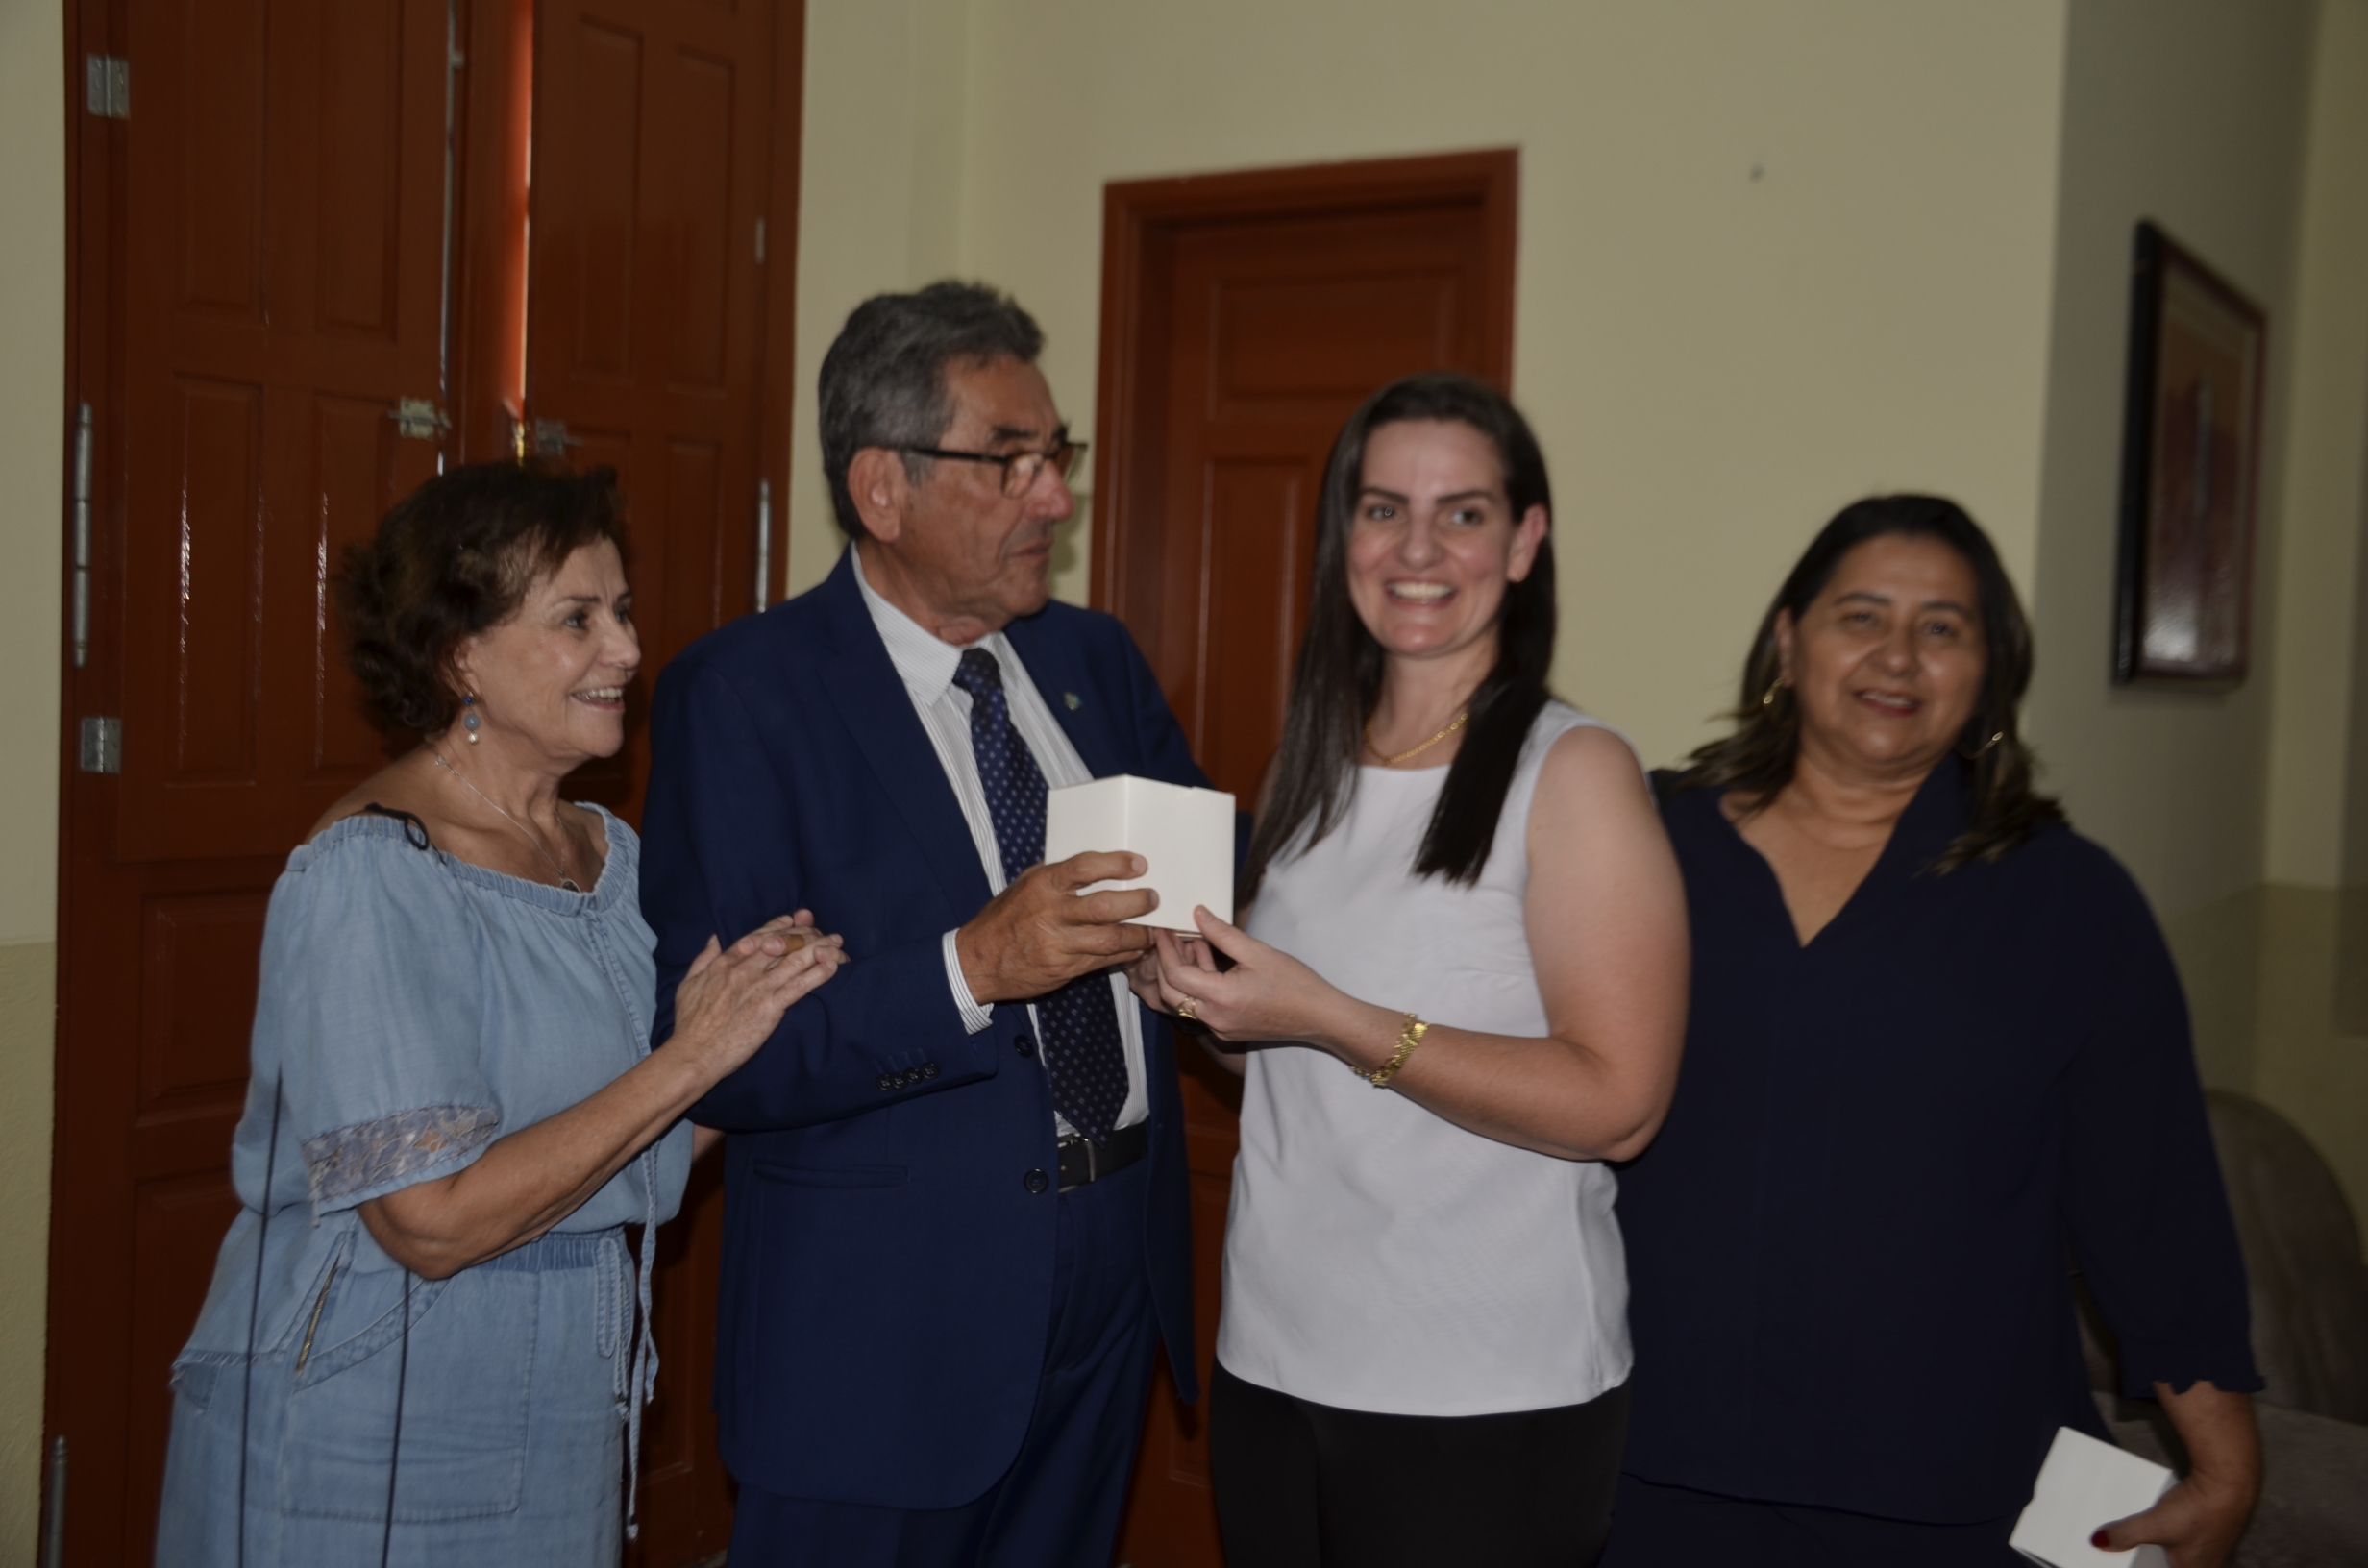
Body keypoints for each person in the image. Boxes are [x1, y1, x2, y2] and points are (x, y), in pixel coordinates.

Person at [155, 461, 843, 1566]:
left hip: (558, 1424)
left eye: (620, 610)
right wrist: (691, 1056)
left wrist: (766, 1024)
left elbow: (626, 1140)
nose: (624, 649)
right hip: (363, 1444)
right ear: (458, 654)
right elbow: (430, 1222)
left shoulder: (609, 857)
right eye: (576, 619)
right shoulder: (375, 874)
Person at [638, 282, 1208, 1567]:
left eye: (1055, 457)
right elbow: (732, 1057)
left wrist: (1197, 961)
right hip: (881, 1323)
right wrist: (972, 967)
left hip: (1111, 1273)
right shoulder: (744, 699)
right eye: (1010, 462)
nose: (1053, 500)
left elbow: (1198, 910)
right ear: (881, 488)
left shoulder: (1096, 662)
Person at [1604, 495, 2262, 1567]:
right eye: (1860, 616)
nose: (1898, 657)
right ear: (1787, 639)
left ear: (1988, 666)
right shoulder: (1640, 842)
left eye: (1942, 627)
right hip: (1642, 1460)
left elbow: (2150, 1198)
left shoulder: (2069, 902)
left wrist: (2225, 1466)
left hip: (1948, 1484)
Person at [1132, 372, 1690, 1568]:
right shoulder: (1312, 755)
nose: (1418, 548)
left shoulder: (1575, 771)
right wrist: (1208, 1004)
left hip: (1483, 1388)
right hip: (1275, 1358)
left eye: (1464, 513)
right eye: (1383, 510)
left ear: (1526, 539)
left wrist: (1330, 1016)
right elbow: (1281, 1056)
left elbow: (1621, 1102)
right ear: (1343, 534)